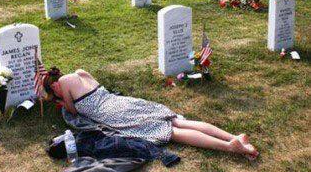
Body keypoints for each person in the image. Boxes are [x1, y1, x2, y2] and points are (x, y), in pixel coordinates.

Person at [43, 68, 259, 160]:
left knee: (171, 131)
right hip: (120, 101)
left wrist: (61, 100)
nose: (56, 92)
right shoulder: (81, 73)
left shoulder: (63, 82)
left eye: (53, 91)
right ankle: (234, 137)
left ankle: (229, 147)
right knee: (176, 121)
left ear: (54, 84)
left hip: (112, 112)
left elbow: (72, 110)